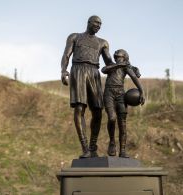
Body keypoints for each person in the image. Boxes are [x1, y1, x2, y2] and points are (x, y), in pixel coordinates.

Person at [60, 15, 114, 158]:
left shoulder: (102, 43)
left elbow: (109, 62)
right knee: (79, 108)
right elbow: (66, 55)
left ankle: (92, 146)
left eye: (100, 24)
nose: (98, 25)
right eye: (96, 23)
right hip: (78, 70)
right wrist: (63, 70)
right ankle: (85, 148)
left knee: (98, 111)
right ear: (89, 23)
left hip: (94, 73)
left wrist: (124, 65)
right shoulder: (75, 37)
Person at [101, 49, 145, 158]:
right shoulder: (111, 66)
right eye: (116, 57)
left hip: (121, 94)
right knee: (112, 118)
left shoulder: (126, 68)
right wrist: (118, 65)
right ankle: (112, 141)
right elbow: (103, 69)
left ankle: (123, 150)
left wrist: (142, 91)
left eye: (119, 57)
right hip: (109, 93)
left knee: (123, 125)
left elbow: (135, 78)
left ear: (124, 58)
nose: (117, 59)